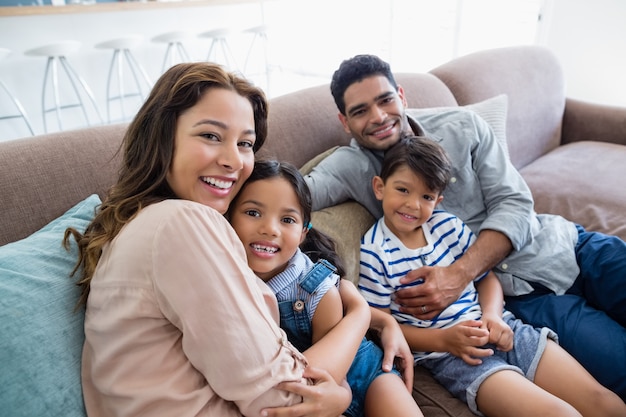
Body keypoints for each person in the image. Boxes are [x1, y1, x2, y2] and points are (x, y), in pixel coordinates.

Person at [62, 62, 406, 417]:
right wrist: (359, 318)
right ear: (163, 137)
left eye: (245, 143)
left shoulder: (144, 221)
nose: (233, 161)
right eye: (211, 135)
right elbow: (289, 397)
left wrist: (377, 319)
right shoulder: (182, 223)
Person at [303, 53, 626, 400]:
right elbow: (297, 191)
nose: (379, 116)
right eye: (360, 110)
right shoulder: (350, 166)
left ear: (401, 95)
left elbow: (515, 202)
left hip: (563, 243)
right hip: (525, 296)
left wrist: (458, 275)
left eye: (385, 100)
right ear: (344, 121)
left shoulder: (462, 126)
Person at [358, 135, 626, 416]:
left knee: (605, 403)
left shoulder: (448, 226)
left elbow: (486, 278)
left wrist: (493, 315)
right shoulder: (375, 252)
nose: (413, 205)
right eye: (403, 190)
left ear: (438, 200)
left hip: (502, 329)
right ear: (379, 187)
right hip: (452, 357)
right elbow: (381, 325)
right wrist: (445, 340)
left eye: (425, 196)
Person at [228, 159, 422, 417]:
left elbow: (328, 373)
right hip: (321, 390)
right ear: (228, 217)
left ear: (303, 233)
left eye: (287, 219)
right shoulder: (227, 278)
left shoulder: (317, 291)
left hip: (366, 373)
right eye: (253, 213)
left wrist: (343, 395)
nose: (269, 229)